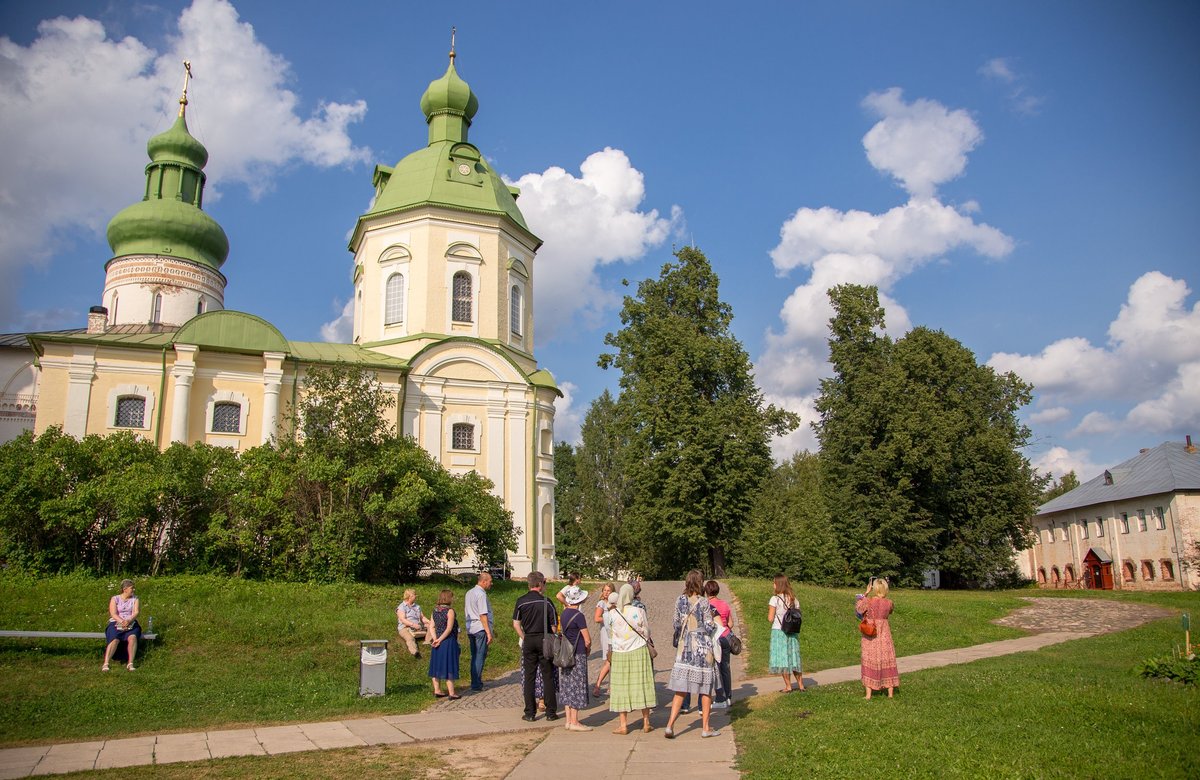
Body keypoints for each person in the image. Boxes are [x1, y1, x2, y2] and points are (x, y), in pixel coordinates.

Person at [665, 569, 720, 739]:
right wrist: (716, 625)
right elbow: (709, 625)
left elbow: (676, 623)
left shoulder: (680, 600)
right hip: (701, 647)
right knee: (705, 689)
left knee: (681, 689)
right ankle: (705, 727)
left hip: (684, 647)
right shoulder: (703, 602)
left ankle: (670, 725)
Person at [608, 583, 656, 735]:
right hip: (638, 650)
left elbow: (611, 634)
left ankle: (623, 725)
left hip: (620, 652)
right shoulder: (639, 611)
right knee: (642, 684)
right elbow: (647, 631)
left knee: (621, 686)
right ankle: (646, 721)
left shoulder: (613, 614)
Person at [512, 571, 559, 721]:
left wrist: (524, 637)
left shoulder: (521, 601)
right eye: (544, 583)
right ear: (539, 584)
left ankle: (529, 713)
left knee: (529, 676)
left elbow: (516, 624)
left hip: (529, 639)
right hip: (544, 639)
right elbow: (553, 626)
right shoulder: (547, 602)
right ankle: (551, 712)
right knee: (547, 675)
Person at [856, 577, 900, 699]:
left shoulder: (868, 601)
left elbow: (859, 609)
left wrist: (865, 593)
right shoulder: (889, 603)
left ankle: (868, 694)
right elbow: (890, 611)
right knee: (887, 658)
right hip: (884, 634)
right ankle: (890, 693)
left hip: (871, 635)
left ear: (874, 589)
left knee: (870, 658)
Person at [558, 585, 592, 732]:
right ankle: (575, 721)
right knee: (577, 685)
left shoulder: (564, 613)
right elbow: (587, 639)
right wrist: (588, 650)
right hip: (577, 653)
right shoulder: (579, 616)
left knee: (567, 685)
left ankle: (567, 720)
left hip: (566, 653)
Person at [768, 573, 804, 692]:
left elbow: (770, 618)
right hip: (792, 631)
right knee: (794, 658)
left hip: (779, 631)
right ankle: (801, 685)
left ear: (778, 584)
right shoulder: (793, 599)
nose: (773, 584)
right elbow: (798, 615)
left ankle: (788, 686)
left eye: (774, 582)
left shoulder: (775, 599)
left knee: (782, 659)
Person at [428, 589, 461, 700]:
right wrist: (441, 639)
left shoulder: (435, 610)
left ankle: (437, 690)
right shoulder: (450, 611)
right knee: (449, 664)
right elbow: (449, 628)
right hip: (448, 641)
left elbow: (431, 626)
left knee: (436, 664)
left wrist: (435, 639)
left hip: (436, 641)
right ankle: (451, 692)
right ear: (448, 598)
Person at [102, 579, 141, 672]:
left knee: (132, 638)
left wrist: (129, 620)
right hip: (116, 622)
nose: (134, 590)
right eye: (132, 588)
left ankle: (130, 663)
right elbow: (113, 613)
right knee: (114, 639)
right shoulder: (115, 599)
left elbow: (136, 612)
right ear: (125, 589)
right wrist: (122, 621)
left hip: (131, 622)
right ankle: (106, 663)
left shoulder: (135, 599)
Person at [706, 580, 734, 708]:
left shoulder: (706, 605)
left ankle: (720, 697)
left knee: (715, 669)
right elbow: (730, 623)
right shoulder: (724, 604)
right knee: (725, 668)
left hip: (715, 639)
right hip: (726, 637)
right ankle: (728, 696)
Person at [464, 571, 494, 692]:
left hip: (471, 627)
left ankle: (475, 681)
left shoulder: (469, 592)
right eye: (490, 581)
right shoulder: (481, 594)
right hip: (480, 627)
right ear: (484, 581)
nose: (491, 584)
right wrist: (488, 632)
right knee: (480, 655)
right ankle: (476, 683)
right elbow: (483, 614)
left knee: (475, 655)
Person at [591, 582, 616, 697]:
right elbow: (596, 618)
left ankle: (612, 686)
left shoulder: (615, 603)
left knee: (613, 660)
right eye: (604, 590)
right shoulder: (601, 603)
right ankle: (597, 685)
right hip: (606, 633)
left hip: (614, 633)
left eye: (608, 591)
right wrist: (609, 618)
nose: (606, 593)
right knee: (609, 660)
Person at [396, 589, 431, 658]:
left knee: (431, 626)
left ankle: (427, 641)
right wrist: (413, 625)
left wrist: (430, 622)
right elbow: (403, 620)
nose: (416, 596)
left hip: (418, 626)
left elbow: (422, 617)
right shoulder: (401, 607)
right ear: (409, 596)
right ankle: (415, 652)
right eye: (414, 594)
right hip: (405, 627)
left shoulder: (417, 606)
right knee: (409, 638)